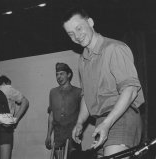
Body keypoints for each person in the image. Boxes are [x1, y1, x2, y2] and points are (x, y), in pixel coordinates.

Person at [62, 7, 145, 158]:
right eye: (71, 34)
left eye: (79, 28)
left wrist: (107, 123)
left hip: (121, 116)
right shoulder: (83, 60)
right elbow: (87, 96)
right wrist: (80, 122)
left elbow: (131, 90)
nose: (77, 36)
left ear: (90, 22)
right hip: (101, 121)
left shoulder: (114, 48)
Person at [45, 62, 82, 159]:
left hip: (72, 133)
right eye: (57, 74)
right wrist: (48, 135)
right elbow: (51, 115)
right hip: (58, 134)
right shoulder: (53, 92)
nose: (59, 76)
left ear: (68, 75)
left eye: (62, 73)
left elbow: (83, 114)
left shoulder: (78, 92)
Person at [0, 75, 29, 159]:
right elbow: (25, 101)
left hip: (4, 128)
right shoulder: (5, 88)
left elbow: (25, 102)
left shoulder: (5, 89)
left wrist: (15, 120)